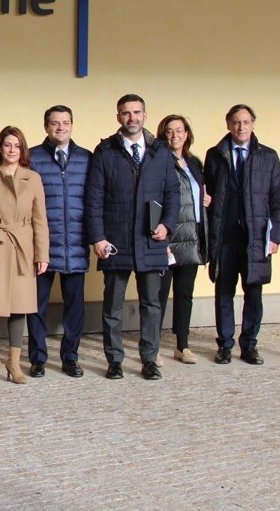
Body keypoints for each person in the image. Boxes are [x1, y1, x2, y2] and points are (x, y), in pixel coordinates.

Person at [85, 94, 180, 380]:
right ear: (118, 117)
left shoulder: (160, 151)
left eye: (137, 112)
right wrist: (98, 238)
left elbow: (172, 193)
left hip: (151, 240)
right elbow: (94, 198)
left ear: (145, 115)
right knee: (113, 305)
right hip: (116, 241)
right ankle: (114, 360)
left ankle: (149, 360)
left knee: (151, 304)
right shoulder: (105, 151)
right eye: (126, 113)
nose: (132, 118)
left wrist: (167, 225)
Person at [203, 104, 280, 366]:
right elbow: (208, 195)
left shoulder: (268, 157)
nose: (242, 127)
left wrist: (276, 237)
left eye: (246, 122)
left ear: (253, 124)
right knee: (223, 293)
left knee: (254, 293)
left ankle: (249, 345)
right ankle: (225, 345)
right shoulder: (215, 155)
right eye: (237, 122)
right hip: (225, 236)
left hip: (256, 237)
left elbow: (278, 200)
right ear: (228, 125)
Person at [0, 126, 50, 384]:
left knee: (19, 306)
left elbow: (40, 220)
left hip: (22, 246)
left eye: (17, 145)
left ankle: (13, 363)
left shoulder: (33, 179)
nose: (12, 149)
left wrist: (42, 254)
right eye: (7, 145)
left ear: (23, 149)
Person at [27, 105, 91, 378]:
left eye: (65, 122)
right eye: (55, 123)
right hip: (42, 245)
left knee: (75, 307)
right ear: (46, 126)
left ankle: (70, 358)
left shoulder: (86, 158)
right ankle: (37, 358)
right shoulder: (32, 157)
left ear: (72, 125)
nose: (61, 127)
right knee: (36, 305)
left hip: (76, 243)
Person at [155, 114, 209, 365]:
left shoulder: (194, 163)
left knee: (185, 294)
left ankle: (182, 346)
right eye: (169, 131)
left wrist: (205, 200)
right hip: (168, 237)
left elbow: (199, 194)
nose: (174, 135)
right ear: (163, 135)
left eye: (179, 130)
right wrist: (161, 238)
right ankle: (153, 347)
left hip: (191, 238)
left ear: (187, 134)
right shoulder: (158, 162)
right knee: (159, 295)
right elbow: (155, 200)